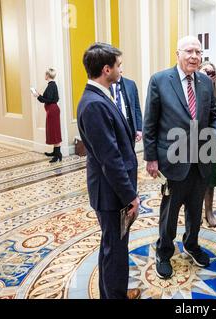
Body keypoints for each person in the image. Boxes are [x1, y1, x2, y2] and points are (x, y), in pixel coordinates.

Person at [143, 36, 216, 279]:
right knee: (170, 211)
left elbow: (215, 116)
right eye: (189, 51)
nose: (195, 56)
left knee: (195, 208)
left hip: (202, 159)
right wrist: (151, 158)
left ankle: (191, 244)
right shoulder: (160, 80)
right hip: (173, 159)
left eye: (198, 52)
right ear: (177, 53)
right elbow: (149, 122)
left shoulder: (205, 82)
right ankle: (164, 251)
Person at [77, 43, 141, 299]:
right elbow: (110, 159)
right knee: (115, 250)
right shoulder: (94, 104)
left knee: (113, 247)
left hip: (112, 191)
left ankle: (112, 293)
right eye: (118, 65)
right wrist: (130, 196)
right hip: (112, 194)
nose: (121, 69)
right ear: (106, 69)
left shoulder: (100, 97)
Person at [198, 61, 216, 227]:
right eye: (205, 71)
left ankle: (209, 211)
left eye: (211, 72)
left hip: (209, 142)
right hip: (190, 142)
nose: (208, 74)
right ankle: (194, 211)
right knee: (192, 181)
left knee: (210, 180)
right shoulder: (191, 88)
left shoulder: (213, 92)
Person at [32, 68, 62, 163]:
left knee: (54, 132)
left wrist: (37, 96)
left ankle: (58, 154)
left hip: (52, 111)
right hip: (52, 110)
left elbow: (48, 100)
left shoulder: (51, 86)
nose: (44, 76)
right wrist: (39, 95)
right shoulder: (52, 85)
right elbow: (48, 98)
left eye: (45, 75)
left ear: (47, 75)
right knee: (53, 131)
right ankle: (55, 152)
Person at [110, 75, 143, 143]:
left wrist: (139, 129)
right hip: (114, 130)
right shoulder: (105, 84)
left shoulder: (131, 84)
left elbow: (137, 107)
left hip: (130, 130)